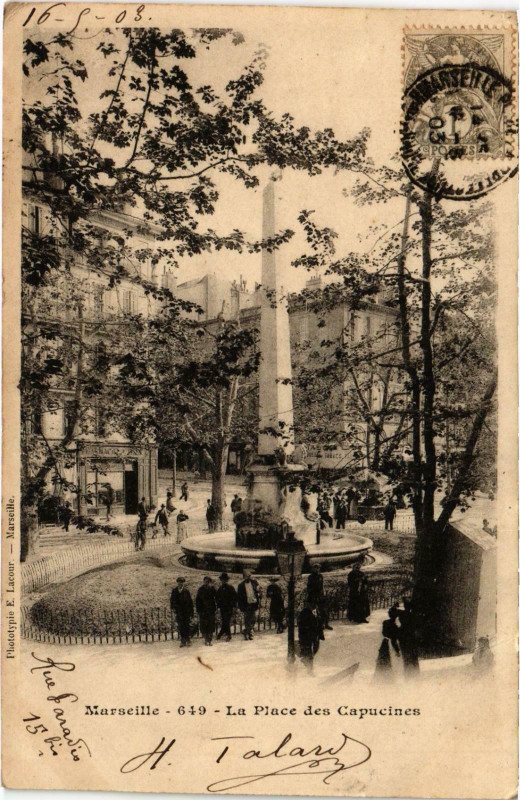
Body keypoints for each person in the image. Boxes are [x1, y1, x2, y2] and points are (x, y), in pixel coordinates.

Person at [374, 606, 401, 680]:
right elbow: (394, 641)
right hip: (390, 644)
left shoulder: (385, 622)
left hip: (384, 642)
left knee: (382, 659)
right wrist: (397, 651)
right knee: (390, 662)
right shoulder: (395, 627)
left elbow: (383, 633)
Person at [397, 598, 420, 674]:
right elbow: (416, 625)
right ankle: (415, 672)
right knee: (413, 655)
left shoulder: (402, 614)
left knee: (406, 655)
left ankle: (407, 672)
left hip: (403, 635)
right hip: (410, 635)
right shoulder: (413, 616)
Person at [170, 577, 194, 647]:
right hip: (179, 612)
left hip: (186, 611)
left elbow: (190, 602)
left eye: (181, 582)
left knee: (187, 625)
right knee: (181, 626)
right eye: (179, 582)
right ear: (177, 582)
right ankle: (183, 640)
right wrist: (173, 608)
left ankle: (188, 639)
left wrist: (191, 612)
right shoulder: (174, 591)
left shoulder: (186, 591)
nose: (180, 583)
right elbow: (172, 600)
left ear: (183, 583)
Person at [237, 570, 260, 640]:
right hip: (246, 605)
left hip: (253, 603)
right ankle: (250, 634)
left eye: (249, 576)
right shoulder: (240, 585)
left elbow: (257, 591)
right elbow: (239, 597)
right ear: (244, 577)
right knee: (247, 619)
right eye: (247, 576)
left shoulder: (254, 583)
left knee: (253, 619)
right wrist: (240, 606)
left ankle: (246, 631)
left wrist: (258, 594)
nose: (248, 577)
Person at [298, 601, 320, 670]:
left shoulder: (313, 612)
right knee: (309, 651)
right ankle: (309, 669)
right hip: (307, 636)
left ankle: (308, 664)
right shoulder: (305, 613)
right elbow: (303, 626)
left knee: (310, 651)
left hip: (310, 636)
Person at [216, 573, 238, 642]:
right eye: (222, 580)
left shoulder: (230, 587)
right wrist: (218, 606)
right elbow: (217, 598)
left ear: (226, 580)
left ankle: (228, 635)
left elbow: (235, 597)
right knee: (224, 621)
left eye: (224, 580)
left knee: (226, 621)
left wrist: (234, 606)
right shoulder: (220, 588)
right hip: (223, 608)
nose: (223, 581)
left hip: (229, 607)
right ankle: (222, 632)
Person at [196, 576, 217, 646]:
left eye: (208, 582)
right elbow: (197, 601)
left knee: (211, 625)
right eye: (205, 581)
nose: (206, 583)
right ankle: (205, 639)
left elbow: (216, 597)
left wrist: (215, 607)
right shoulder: (200, 589)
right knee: (204, 625)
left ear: (209, 582)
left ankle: (210, 640)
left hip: (210, 610)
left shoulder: (212, 589)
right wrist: (199, 610)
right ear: (203, 581)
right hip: (203, 611)